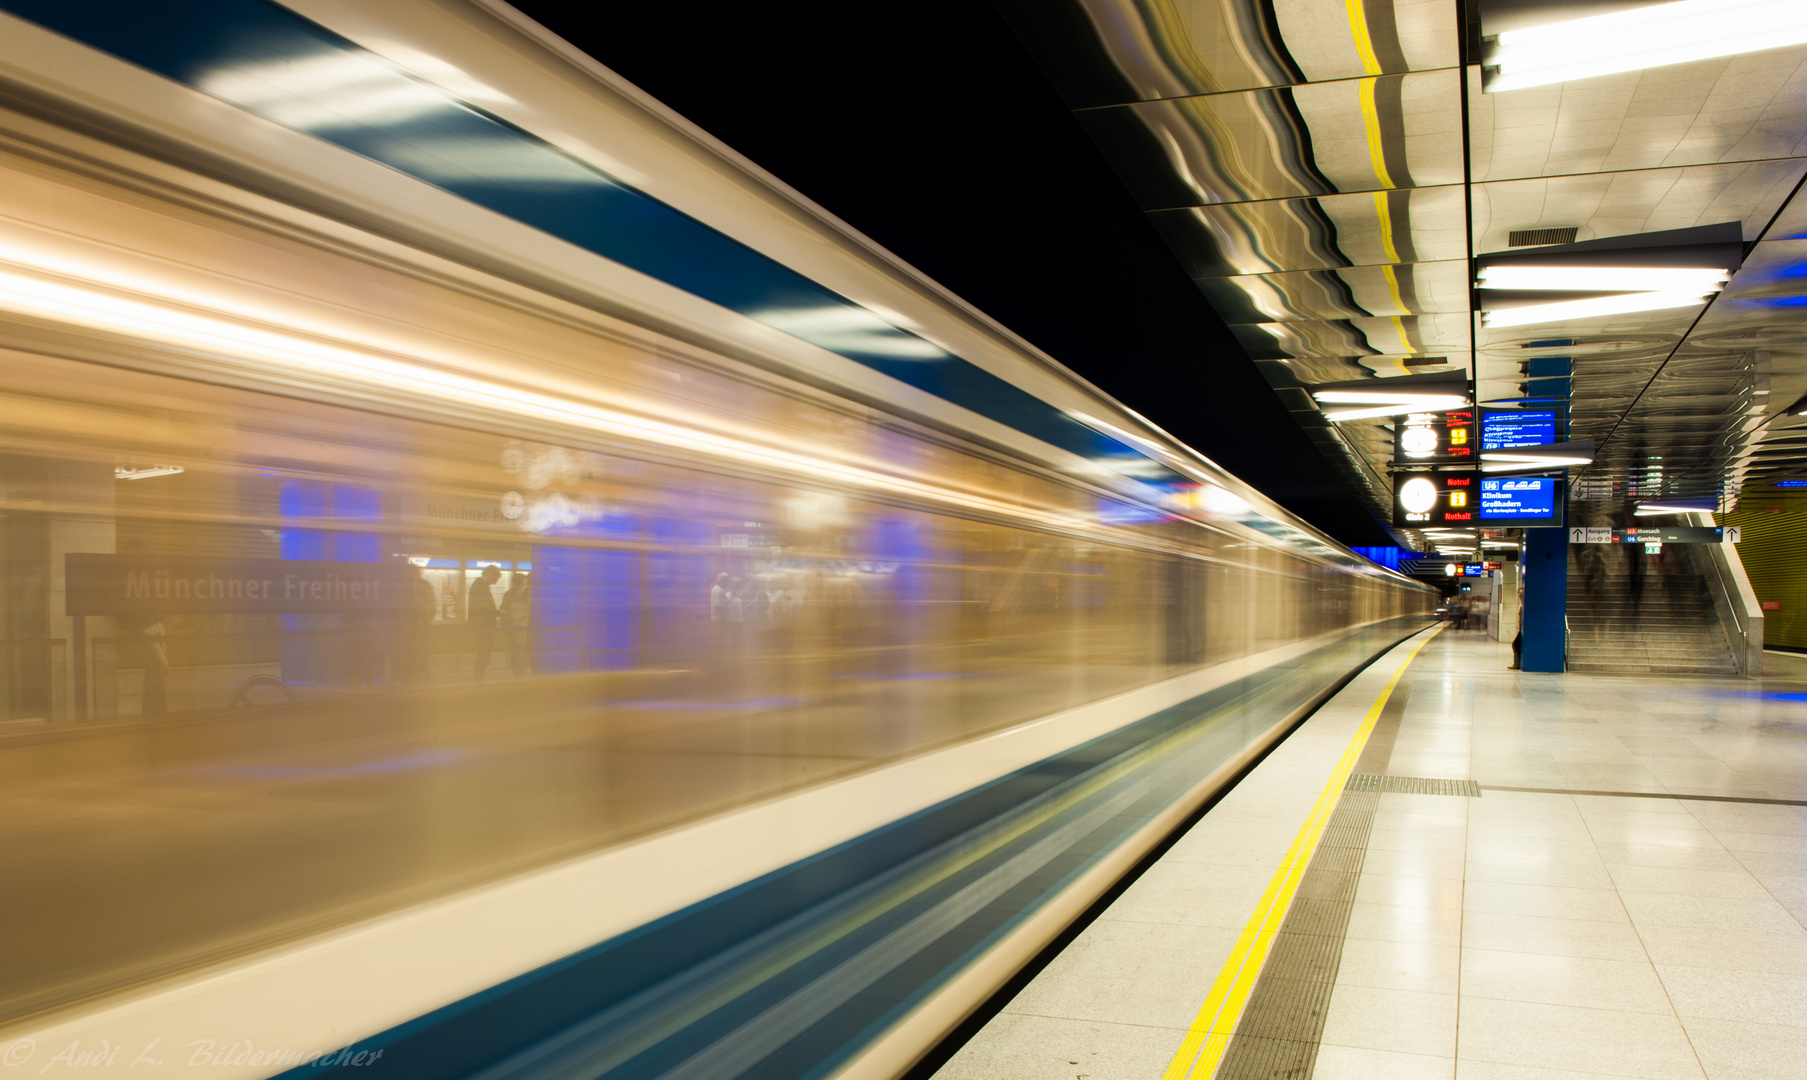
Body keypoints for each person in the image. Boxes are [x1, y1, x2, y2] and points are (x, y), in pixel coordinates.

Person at [468, 564, 502, 680]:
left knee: (484, 654)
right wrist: (498, 613)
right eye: (496, 578)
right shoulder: (479, 587)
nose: (496, 581)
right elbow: (484, 608)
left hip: (484, 626)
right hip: (483, 627)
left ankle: (479, 679)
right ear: (490, 575)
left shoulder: (480, 586)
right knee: (483, 654)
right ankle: (478, 680)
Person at [501, 573, 533, 677]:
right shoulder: (518, 595)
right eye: (528, 581)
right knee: (520, 660)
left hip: (535, 634)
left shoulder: (543, 595)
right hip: (522, 632)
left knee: (534, 660)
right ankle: (519, 682)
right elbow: (513, 612)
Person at [1509, 586, 1525, 670]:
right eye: (1520, 593)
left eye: (1522, 593)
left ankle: (1517, 664)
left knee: (1515, 644)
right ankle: (1517, 663)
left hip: (1524, 629)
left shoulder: (1525, 605)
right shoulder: (1521, 604)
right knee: (1516, 645)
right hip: (1522, 629)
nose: (1520, 595)